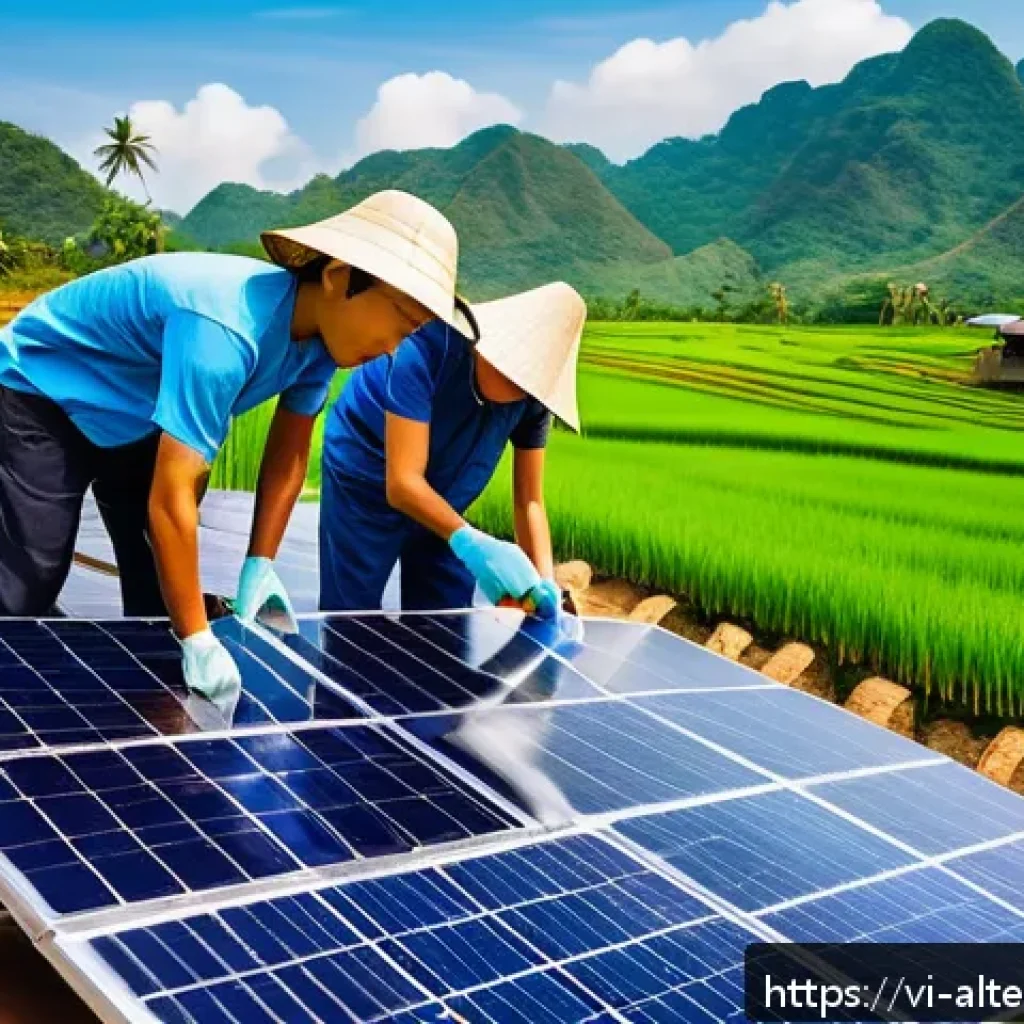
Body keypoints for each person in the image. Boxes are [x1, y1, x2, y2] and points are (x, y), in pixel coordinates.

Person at [0, 190, 462, 699]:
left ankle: (139, 706)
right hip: (43, 388)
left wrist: (260, 562)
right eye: (400, 323)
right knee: (27, 585)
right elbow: (173, 490)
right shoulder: (224, 329)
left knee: (161, 597)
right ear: (337, 280)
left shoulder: (321, 346)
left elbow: (287, 455)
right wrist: (199, 638)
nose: (395, 347)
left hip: (136, 407)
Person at [319, 281, 586, 616]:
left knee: (444, 617)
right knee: (351, 615)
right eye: (512, 370)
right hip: (366, 472)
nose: (517, 385)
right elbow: (403, 483)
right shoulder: (425, 349)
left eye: (527, 381)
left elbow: (529, 499)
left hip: (446, 493)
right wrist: (470, 543)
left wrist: (544, 582)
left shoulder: (532, 401)